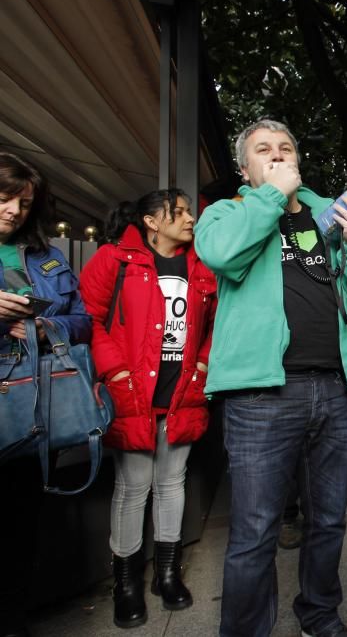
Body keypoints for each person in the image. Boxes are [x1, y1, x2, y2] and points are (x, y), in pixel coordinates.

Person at [195, 119, 347, 637]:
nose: (276, 156)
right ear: (244, 168)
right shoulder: (228, 212)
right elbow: (223, 255)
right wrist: (271, 197)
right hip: (261, 396)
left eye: (285, 148)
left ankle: (318, 614)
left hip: (335, 390)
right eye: (263, 151)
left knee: (326, 521)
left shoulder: (327, 213)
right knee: (254, 530)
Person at [79, 189, 217, 629]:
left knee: (172, 482)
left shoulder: (202, 265)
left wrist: (201, 363)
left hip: (182, 392)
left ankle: (168, 573)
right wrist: (114, 371)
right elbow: (88, 318)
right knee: (133, 487)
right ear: (152, 222)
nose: (190, 218)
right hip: (133, 394)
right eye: (180, 211)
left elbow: (217, 321)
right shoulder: (114, 260)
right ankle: (126, 582)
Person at [0, 152, 90, 637]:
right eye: (4, 197)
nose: (14, 210)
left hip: (31, 407)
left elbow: (83, 321)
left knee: (19, 530)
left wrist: (44, 327)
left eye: (24, 202)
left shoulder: (45, 257)